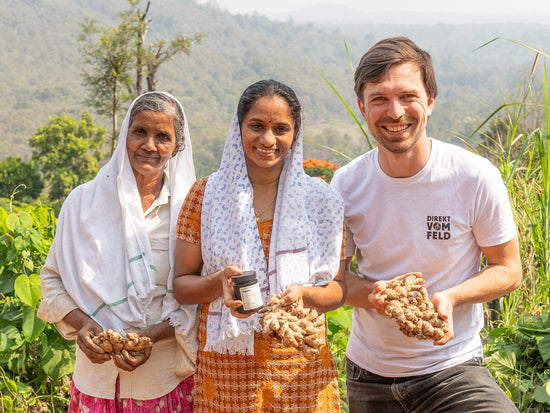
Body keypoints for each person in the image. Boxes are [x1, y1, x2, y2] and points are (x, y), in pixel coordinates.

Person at [330, 37, 522, 412]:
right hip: (369, 376)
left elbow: (508, 268)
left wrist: (451, 297)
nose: (395, 111)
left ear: (430, 101)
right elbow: (338, 282)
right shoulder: (346, 184)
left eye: (408, 96)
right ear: (362, 106)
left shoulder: (473, 176)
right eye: (380, 99)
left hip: (452, 369)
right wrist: (379, 295)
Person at [173, 79, 346, 412]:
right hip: (227, 370)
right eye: (257, 126)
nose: (268, 139)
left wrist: (306, 295)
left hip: (301, 367)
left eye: (281, 128)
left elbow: (338, 289)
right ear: (238, 128)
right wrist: (218, 283)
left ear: (295, 134)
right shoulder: (205, 196)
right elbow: (181, 286)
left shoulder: (321, 201)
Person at [37, 92, 198, 412]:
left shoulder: (188, 213)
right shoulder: (83, 204)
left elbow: (196, 299)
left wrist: (151, 336)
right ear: (125, 133)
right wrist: (83, 324)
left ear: (177, 146)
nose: (149, 145)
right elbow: (52, 279)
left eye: (162, 136)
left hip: (160, 384)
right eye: (139, 132)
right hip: (93, 380)